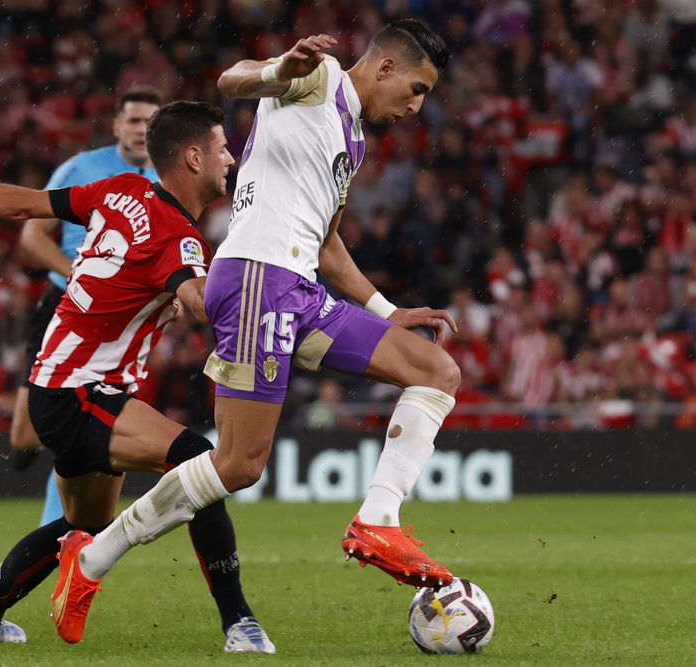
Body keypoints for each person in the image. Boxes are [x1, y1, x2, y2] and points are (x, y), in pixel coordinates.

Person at [57, 20, 460, 644]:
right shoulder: (315, 78)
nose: (416, 105)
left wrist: (384, 310)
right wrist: (278, 70)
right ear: (383, 68)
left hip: (298, 288)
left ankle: (378, 520)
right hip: (254, 282)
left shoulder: (350, 139)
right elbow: (233, 79)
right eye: (416, 88)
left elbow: (326, 245)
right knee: (240, 464)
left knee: (436, 370)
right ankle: (88, 561)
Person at [0, 101, 275, 653]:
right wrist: (256, 277)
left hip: (54, 389)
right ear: (194, 157)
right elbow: (200, 302)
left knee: (79, 529)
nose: (231, 157)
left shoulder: (120, 189)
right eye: (223, 147)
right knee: (203, 465)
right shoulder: (179, 239)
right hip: (82, 391)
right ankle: (239, 623)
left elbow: (21, 207)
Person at [13, 86, 161, 527]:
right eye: (133, 121)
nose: (141, 130)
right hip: (66, 302)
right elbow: (31, 234)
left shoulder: (168, 178)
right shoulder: (82, 168)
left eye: (150, 123)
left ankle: (62, 534)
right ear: (117, 125)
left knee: (86, 432)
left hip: (120, 314)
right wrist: (76, 274)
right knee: (24, 435)